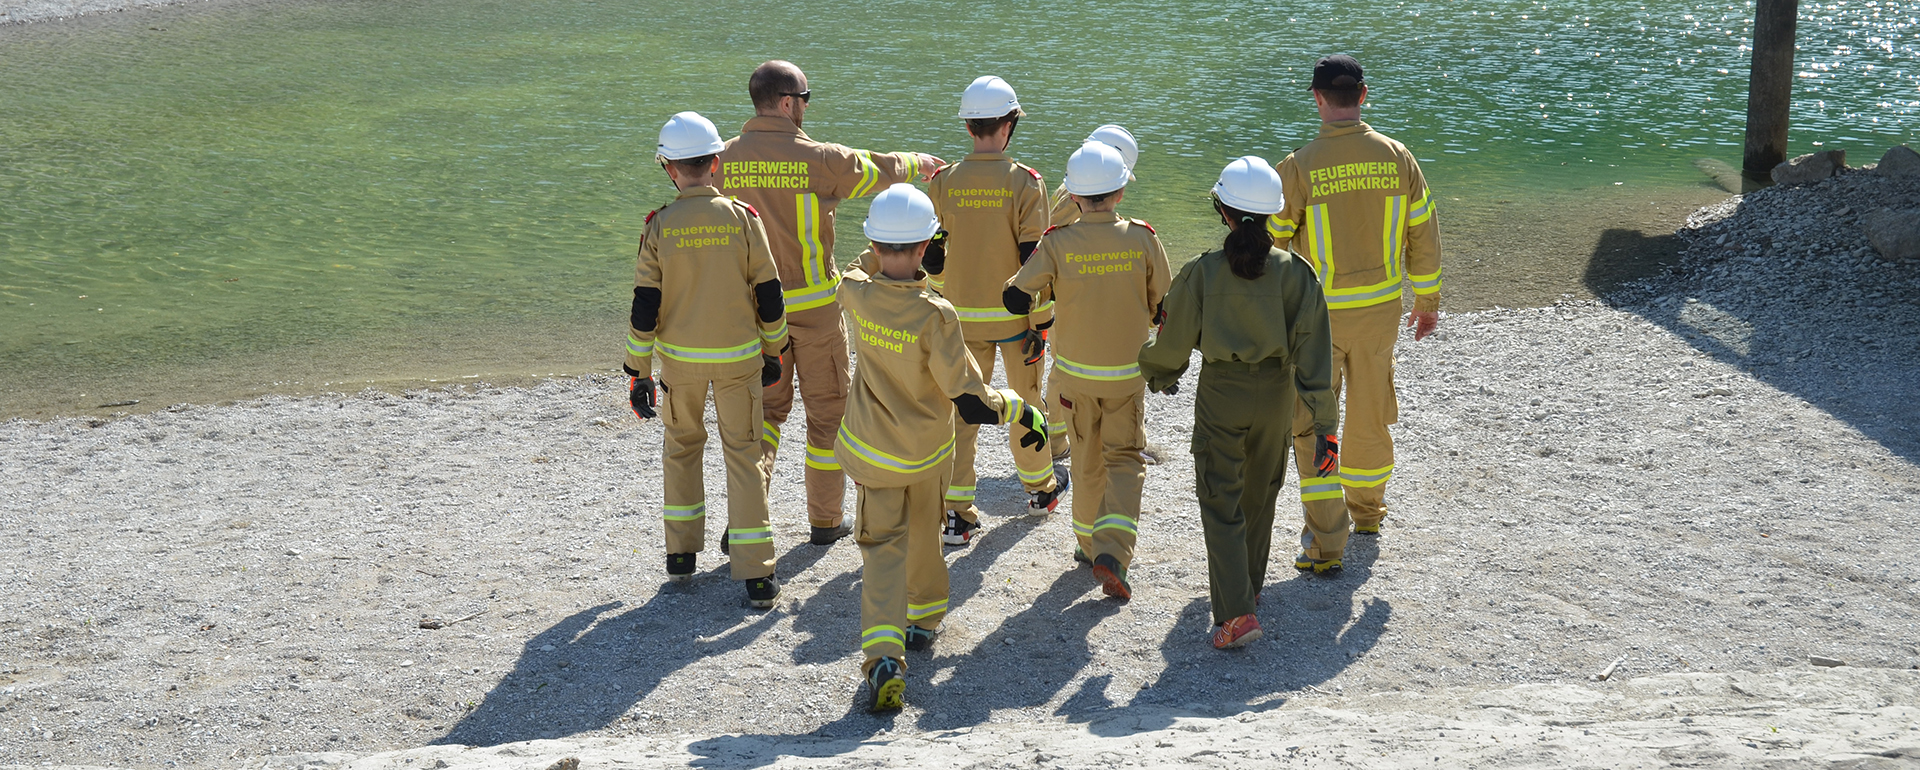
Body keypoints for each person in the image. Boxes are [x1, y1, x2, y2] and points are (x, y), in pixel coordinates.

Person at [837, 183, 1051, 711]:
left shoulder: (855, 292)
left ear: (877, 243)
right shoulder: (937, 315)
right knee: (926, 538)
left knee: (881, 549)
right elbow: (973, 402)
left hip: (873, 453)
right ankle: (926, 620)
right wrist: (1020, 409)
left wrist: (889, 246)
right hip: (928, 455)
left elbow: (856, 265)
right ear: (929, 244)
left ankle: (883, 655)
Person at [717, 60, 945, 547]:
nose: (805, 106)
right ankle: (824, 521)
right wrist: (918, 163)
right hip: (817, 312)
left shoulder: (723, 160)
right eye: (805, 97)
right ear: (786, 103)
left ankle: (746, 515)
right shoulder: (818, 158)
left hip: (756, 317)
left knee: (766, 417)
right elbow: (876, 169)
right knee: (826, 416)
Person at [1137, 157, 1339, 649]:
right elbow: (1316, 355)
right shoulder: (1298, 274)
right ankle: (1249, 589)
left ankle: (1234, 614)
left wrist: (1157, 372)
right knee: (1260, 493)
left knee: (1220, 498)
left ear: (1223, 211)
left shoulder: (1201, 272)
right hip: (1276, 393)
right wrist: (1326, 426)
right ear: (1273, 214)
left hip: (1221, 393)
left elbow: (1172, 345)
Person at [1270, 55, 1443, 572]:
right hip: (1380, 313)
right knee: (1371, 411)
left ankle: (1324, 541)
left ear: (1317, 98)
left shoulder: (1298, 165)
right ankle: (1367, 513)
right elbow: (1424, 234)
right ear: (1363, 95)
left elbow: (1273, 246)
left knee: (1315, 420)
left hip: (1318, 317)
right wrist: (1427, 300)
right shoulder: (1398, 157)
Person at [624, 112, 790, 607]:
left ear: (669, 169)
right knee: (743, 455)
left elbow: (644, 307)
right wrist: (774, 350)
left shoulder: (659, 226)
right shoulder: (743, 218)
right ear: (716, 163)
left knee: (681, 448)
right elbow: (769, 293)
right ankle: (757, 575)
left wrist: (640, 372)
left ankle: (681, 555)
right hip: (741, 362)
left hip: (680, 366)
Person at [1004, 142, 1169, 600]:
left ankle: (1086, 544)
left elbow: (1016, 297)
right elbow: (1165, 308)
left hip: (1073, 378)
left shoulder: (1057, 241)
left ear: (1073, 197)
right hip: (1125, 378)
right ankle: (1113, 550)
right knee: (1124, 460)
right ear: (1119, 193)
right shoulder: (1143, 238)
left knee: (1084, 458)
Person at [924, 75, 1062, 547]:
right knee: (1027, 408)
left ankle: (958, 516)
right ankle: (1041, 490)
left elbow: (930, 258)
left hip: (958, 323)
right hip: (1013, 325)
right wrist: (1039, 325)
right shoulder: (1026, 183)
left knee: (964, 412)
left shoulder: (942, 183)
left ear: (969, 128)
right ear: (1008, 126)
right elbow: (1033, 266)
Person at [1042, 124, 1140, 460]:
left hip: (1067, 293)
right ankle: (1056, 442)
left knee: (1064, 366)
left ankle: (1062, 435)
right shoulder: (1073, 200)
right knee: (1064, 369)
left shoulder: (1070, 188)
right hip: (1072, 297)